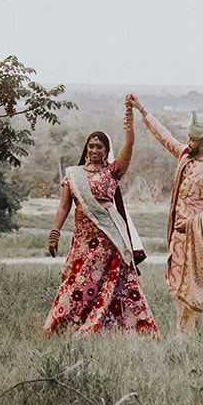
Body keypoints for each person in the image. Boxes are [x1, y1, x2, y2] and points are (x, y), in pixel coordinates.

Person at [43, 98, 158, 335]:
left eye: (100, 147)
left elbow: (129, 146)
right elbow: (64, 207)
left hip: (111, 241)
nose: (95, 150)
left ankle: (117, 327)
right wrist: (54, 233)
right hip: (84, 243)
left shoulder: (112, 172)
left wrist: (130, 118)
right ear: (86, 149)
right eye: (91, 146)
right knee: (79, 282)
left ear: (106, 151)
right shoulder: (73, 176)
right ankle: (66, 325)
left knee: (116, 284)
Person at [133, 97, 203, 343]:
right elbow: (165, 138)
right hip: (179, 242)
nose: (187, 143)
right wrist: (143, 111)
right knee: (180, 290)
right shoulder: (187, 160)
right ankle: (182, 340)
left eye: (192, 140)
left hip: (201, 243)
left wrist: (191, 223)